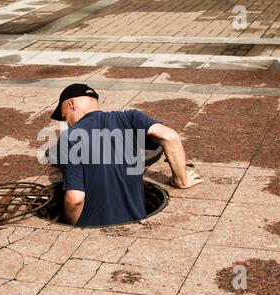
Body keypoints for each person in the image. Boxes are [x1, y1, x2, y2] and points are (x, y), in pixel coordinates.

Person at [50, 83, 203, 226]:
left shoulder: (69, 137)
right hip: (136, 222)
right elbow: (169, 137)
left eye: (65, 117)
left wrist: (69, 228)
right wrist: (181, 181)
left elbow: (75, 199)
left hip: (93, 229)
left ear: (72, 104)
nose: (67, 124)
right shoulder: (130, 118)